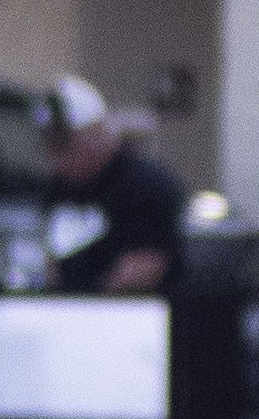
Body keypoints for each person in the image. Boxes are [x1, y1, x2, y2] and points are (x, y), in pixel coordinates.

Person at [39, 75, 184, 293]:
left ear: (97, 133)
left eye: (63, 143)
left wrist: (91, 309)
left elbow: (143, 268)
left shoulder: (147, 186)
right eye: (49, 143)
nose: (56, 157)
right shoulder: (60, 188)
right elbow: (52, 262)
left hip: (131, 317)